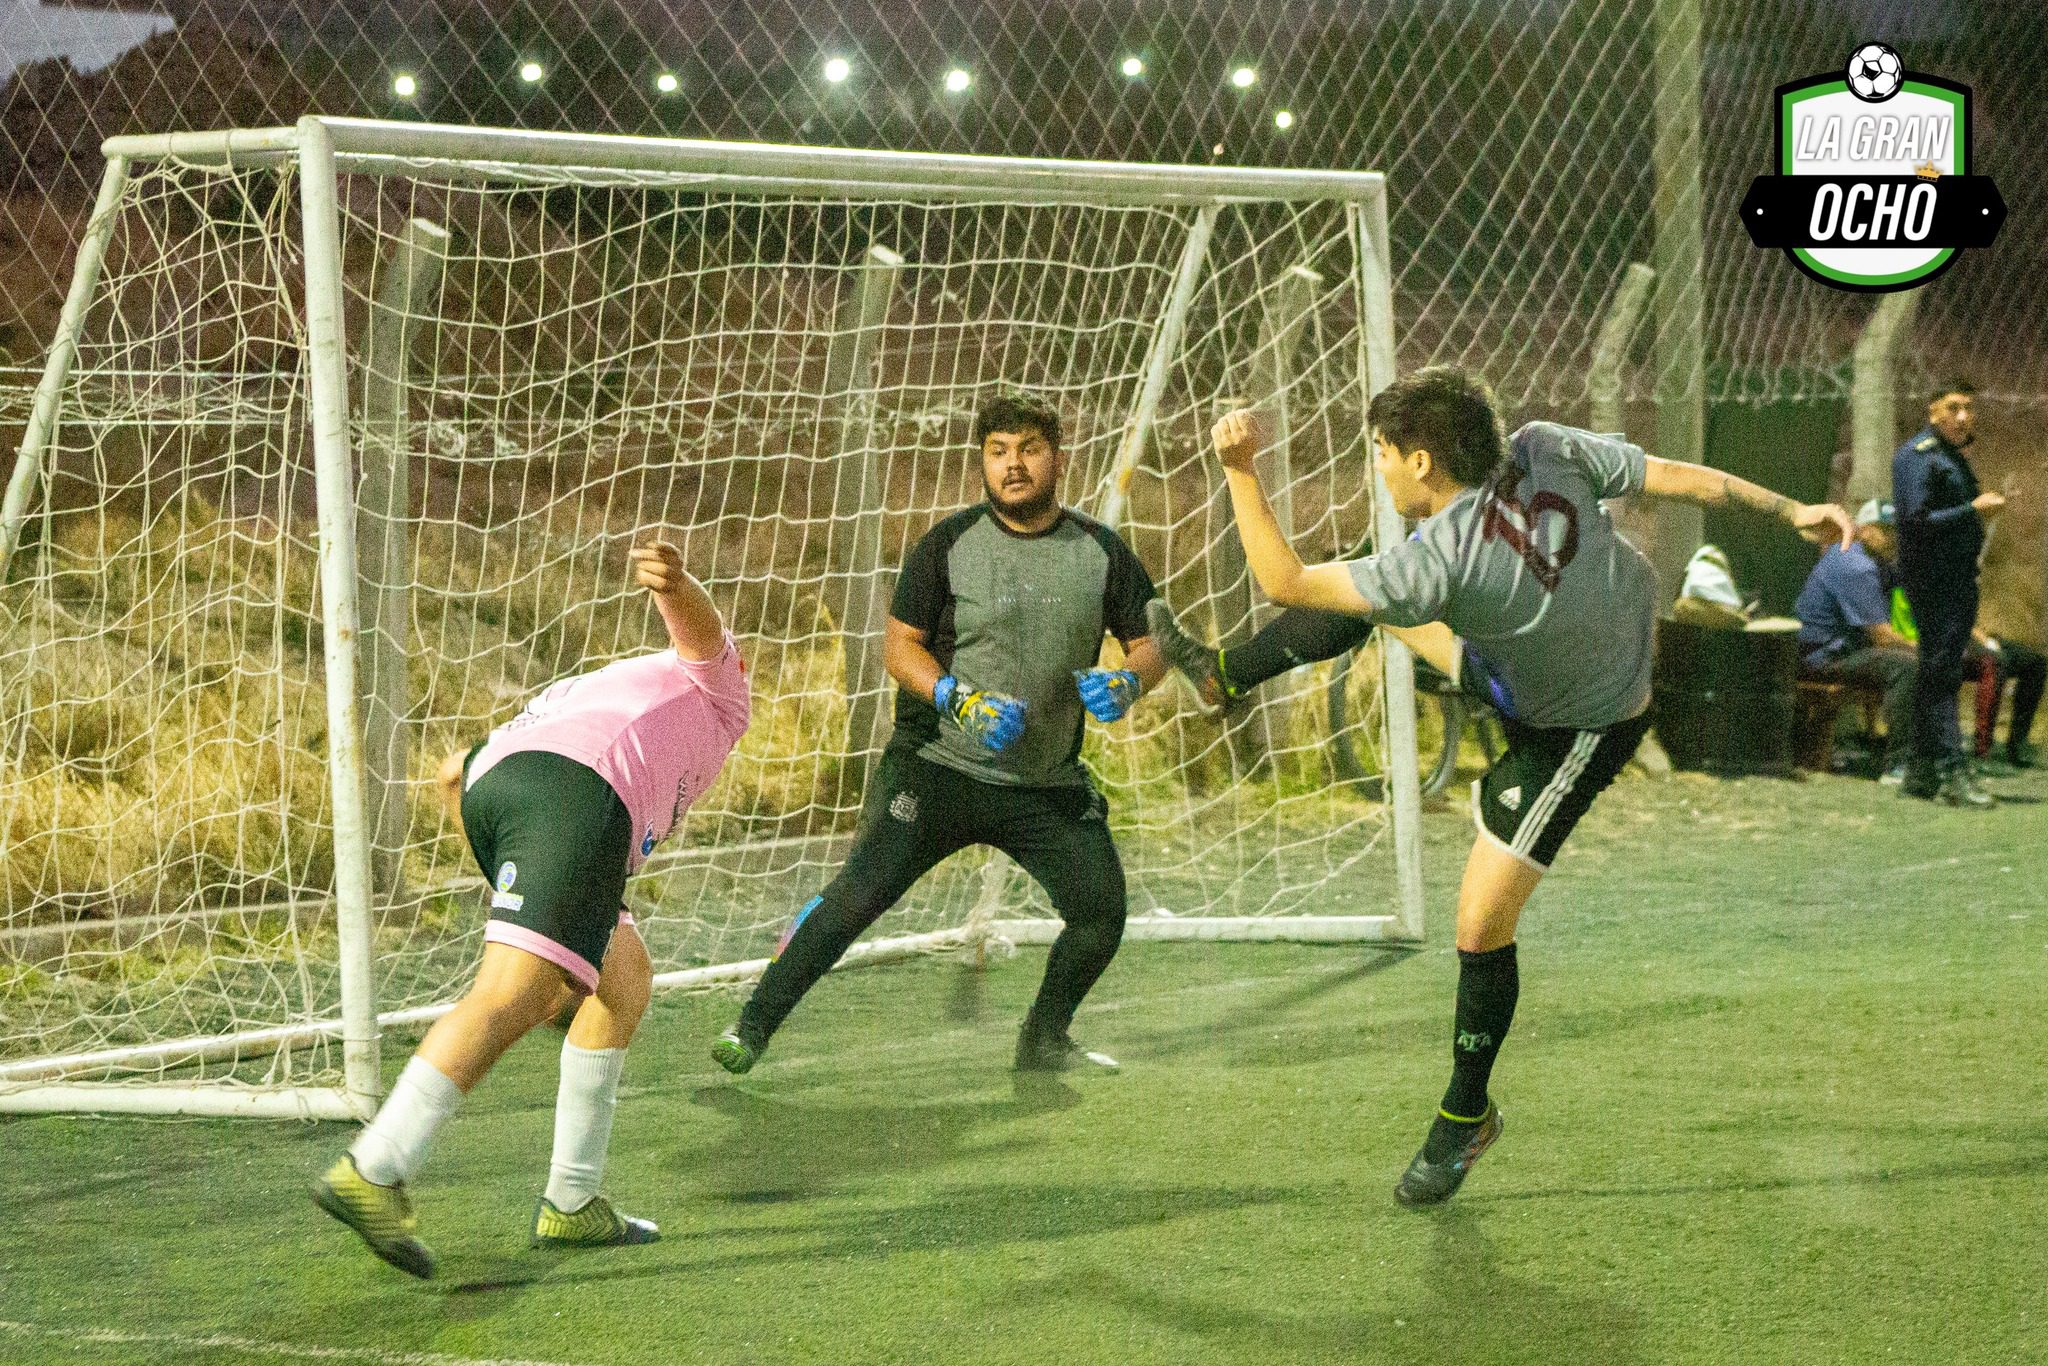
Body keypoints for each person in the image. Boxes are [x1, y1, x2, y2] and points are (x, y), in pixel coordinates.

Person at [1148, 365, 1851, 1206]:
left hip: (1582, 725)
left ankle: (1464, 1117)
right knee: (1373, 598)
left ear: (1421, 463)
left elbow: (1285, 583)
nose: (1374, 466)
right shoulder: (1544, 446)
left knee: (1480, 926)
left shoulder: (1438, 560)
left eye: (1380, 452)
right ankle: (1228, 674)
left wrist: (1237, 471)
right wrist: (1788, 508)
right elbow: (1671, 477)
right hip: (1521, 666)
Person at [314, 541, 750, 1278]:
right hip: (577, 793)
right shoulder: (720, 699)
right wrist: (676, 586)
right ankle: (377, 1167)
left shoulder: (610, 694)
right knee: (515, 993)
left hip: (497, 785)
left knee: (623, 978)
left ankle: (572, 1202)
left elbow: (456, 773)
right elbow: (704, 639)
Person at [711, 391, 1165, 1077]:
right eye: (998, 451)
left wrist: (1130, 680)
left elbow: (1151, 642)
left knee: (1101, 913)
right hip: (937, 769)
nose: (1013, 465)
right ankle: (751, 1026)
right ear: (982, 462)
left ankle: (1043, 1038)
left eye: (1029, 450)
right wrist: (955, 695)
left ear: (1058, 458)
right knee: (855, 900)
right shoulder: (948, 546)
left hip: (1042, 784)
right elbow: (900, 649)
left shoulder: (1100, 552)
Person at [1891, 380, 2002, 806]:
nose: (1963, 417)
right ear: (1933, 411)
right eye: (1953, 407)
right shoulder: (1917, 457)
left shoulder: (1951, 457)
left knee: (1938, 671)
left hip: (1956, 579)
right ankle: (1954, 772)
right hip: (1932, 581)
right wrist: (1971, 510)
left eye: (1969, 408)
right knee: (1941, 675)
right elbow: (1914, 522)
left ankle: (1920, 773)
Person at [1792, 498, 1916, 783]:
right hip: (1821, 657)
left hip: (1842, 650)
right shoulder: (1855, 565)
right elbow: (1882, 637)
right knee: (1907, 667)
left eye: (1898, 531)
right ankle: (1898, 766)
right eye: (1887, 530)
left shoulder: (1875, 558)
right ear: (1863, 529)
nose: (1895, 538)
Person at [1889, 587, 2044, 772]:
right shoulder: (1912, 579)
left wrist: (1986, 641)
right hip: (1927, 645)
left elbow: (1959, 617)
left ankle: (2018, 745)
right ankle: (1982, 751)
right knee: (1993, 663)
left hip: (1961, 637)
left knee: (2035, 663)